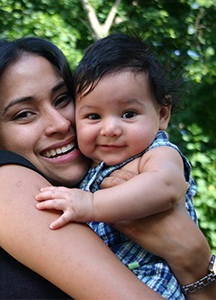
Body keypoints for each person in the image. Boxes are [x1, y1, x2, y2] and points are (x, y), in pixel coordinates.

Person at [0, 36, 214, 300]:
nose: (60, 124)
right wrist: (193, 259)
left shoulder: (116, 180)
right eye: (24, 115)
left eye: (62, 100)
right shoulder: (0, 178)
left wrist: (195, 264)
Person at [35, 33, 216, 299]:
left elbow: (165, 186)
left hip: (154, 278)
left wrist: (91, 204)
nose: (110, 129)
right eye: (93, 116)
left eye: (128, 114)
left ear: (162, 114)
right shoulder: (91, 170)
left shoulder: (159, 152)